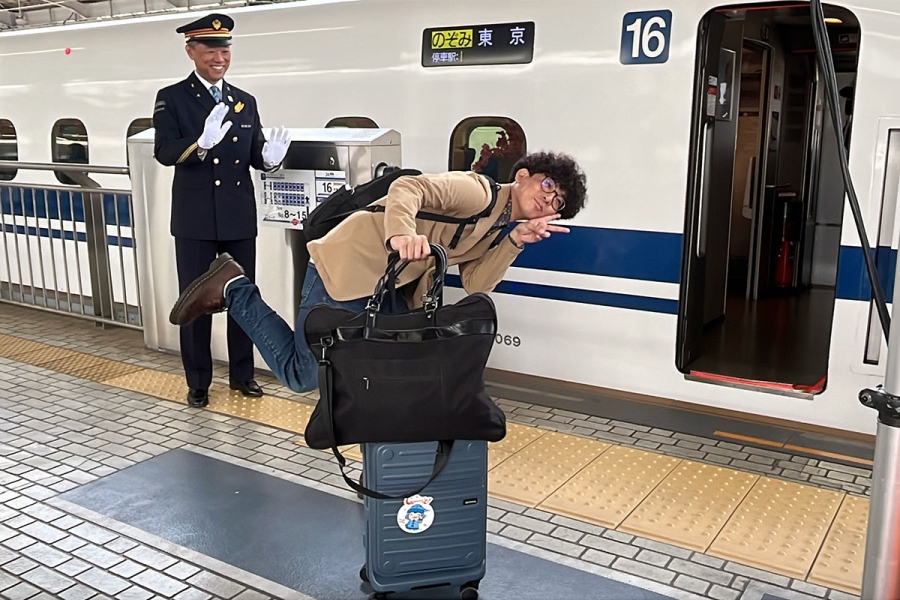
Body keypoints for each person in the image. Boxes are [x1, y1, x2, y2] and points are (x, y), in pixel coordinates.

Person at [168, 151, 588, 394]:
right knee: (301, 375)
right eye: (548, 186)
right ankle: (234, 286)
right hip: (350, 266)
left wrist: (516, 242)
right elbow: (409, 188)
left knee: (383, 378)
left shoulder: (500, 228)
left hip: (388, 287)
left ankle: (382, 468)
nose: (549, 201)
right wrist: (401, 235)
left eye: (558, 204)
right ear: (523, 176)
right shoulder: (477, 191)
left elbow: (478, 285)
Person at [153, 12, 291, 408]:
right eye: (211, 49)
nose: (220, 56)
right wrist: (201, 144)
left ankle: (243, 375)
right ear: (191, 51)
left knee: (242, 297)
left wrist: (270, 160)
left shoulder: (245, 101)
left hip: (237, 215)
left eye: (225, 49)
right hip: (195, 218)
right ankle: (198, 380)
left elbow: (254, 154)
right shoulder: (173, 97)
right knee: (196, 301)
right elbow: (164, 152)